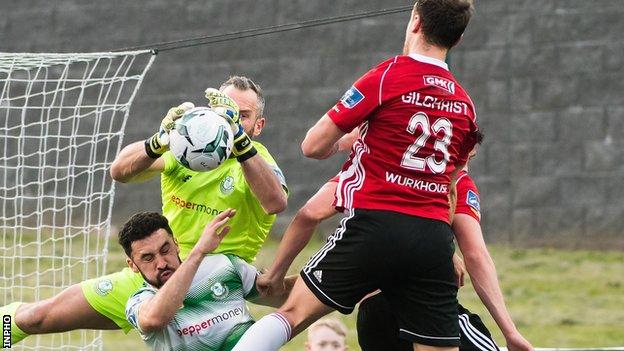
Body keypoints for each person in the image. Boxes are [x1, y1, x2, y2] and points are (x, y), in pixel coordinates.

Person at [233, 1, 478, 350]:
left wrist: (348, 138)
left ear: (415, 20)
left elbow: (312, 146)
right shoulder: (465, 104)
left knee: (292, 314)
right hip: (433, 240)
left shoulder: (386, 76)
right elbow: (451, 184)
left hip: (375, 225)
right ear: (460, 38)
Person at [1, 76, 288, 346]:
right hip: (156, 272)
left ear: (258, 125)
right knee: (36, 316)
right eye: (224, 111)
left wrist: (239, 141)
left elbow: (275, 201)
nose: (229, 120)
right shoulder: (184, 147)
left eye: (242, 115)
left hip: (213, 287)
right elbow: (119, 171)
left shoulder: (258, 162)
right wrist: (158, 141)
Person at [258, 132, 533, 351]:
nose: (464, 167)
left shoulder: (376, 169)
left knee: (291, 313)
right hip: (417, 311)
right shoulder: (457, 183)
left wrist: (275, 274)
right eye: (464, 159)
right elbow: (476, 255)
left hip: (372, 318)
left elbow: (309, 213)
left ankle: (248, 285)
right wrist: (509, 331)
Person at [119, 210, 295, 351]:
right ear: (132, 265)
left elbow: (282, 293)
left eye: (165, 250)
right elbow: (155, 319)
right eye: (148, 258)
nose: (162, 263)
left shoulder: (224, 265)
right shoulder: (139, 302)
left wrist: (320, 272)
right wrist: (197, 253)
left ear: (176, 244)